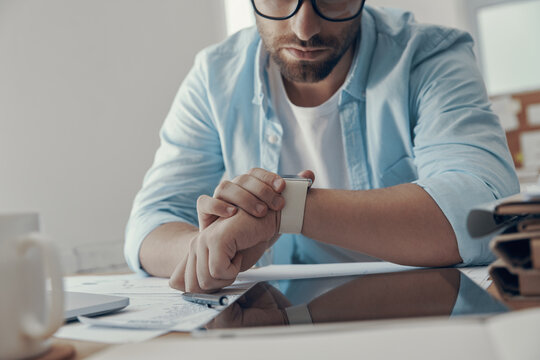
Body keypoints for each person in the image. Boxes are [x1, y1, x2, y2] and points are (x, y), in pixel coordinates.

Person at [124, 0, 519, 292]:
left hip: (416, 320)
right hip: (277, 326)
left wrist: (287, 211)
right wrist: (209, 248)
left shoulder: (428, 55)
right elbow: (149, 224)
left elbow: (486, 214)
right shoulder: (215, 76)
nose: (304, 28)